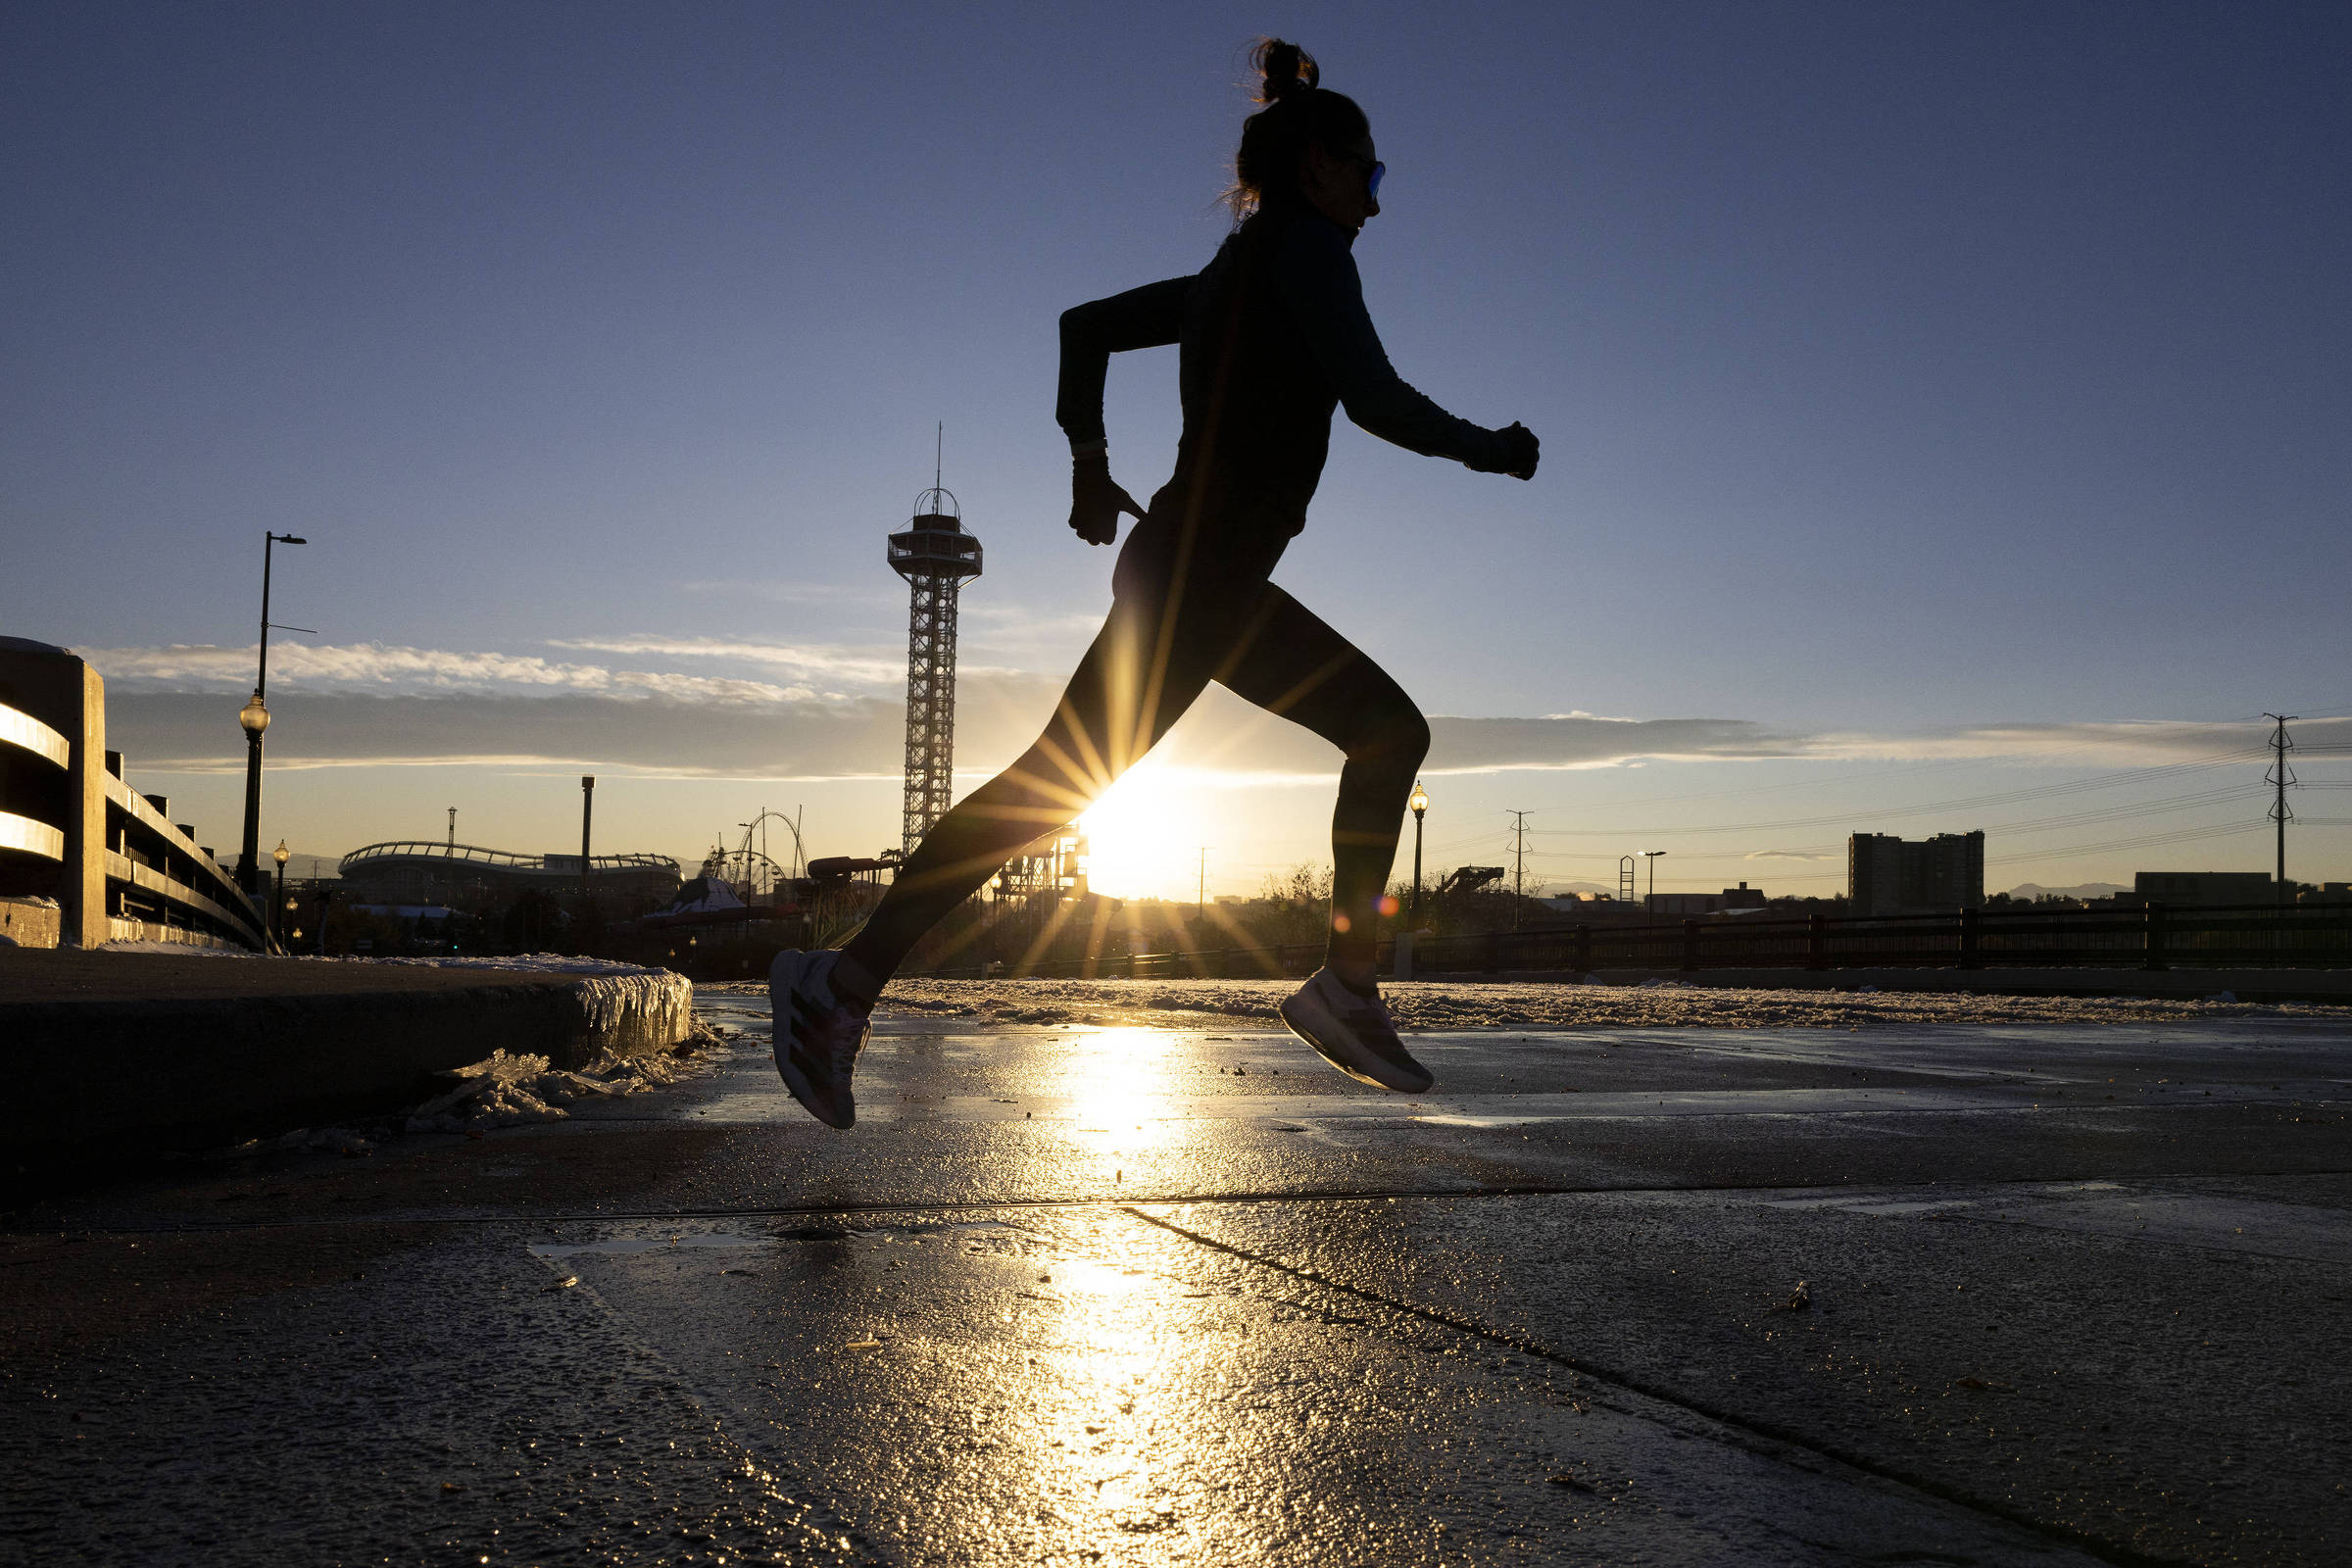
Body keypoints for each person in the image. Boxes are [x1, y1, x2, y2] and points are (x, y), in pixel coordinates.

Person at [771, 39, 1539, 1129]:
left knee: (1052, 792)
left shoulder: (1235, 270)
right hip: (1200, 585)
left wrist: (1088, 464)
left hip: (1188, 577)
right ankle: (1345, 985)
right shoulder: (1309, 252)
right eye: (1369, 176)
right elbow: (1374, 398)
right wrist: (1491, 449)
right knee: (1376, 734)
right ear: (1319, 167)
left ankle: (841, 986)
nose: (1374, 203)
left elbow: (1082, 329)